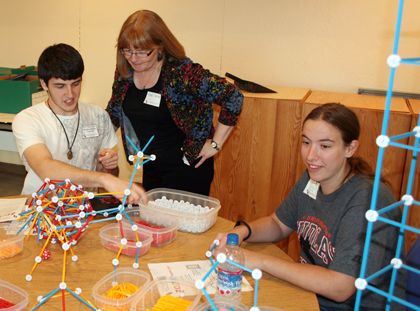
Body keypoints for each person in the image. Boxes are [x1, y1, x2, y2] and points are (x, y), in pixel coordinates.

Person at [211, 103, 406, 310]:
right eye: (306, 142)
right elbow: (278, 224)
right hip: (310, 296)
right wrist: (242, 231)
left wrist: (260, 261)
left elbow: (341, 287)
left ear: (350, 148)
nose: (311, 156)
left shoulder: (368, 200)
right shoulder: (312, 179)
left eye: (325, 146)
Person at [106, 10, 244, 196]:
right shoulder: (126, 72)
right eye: (127, 50)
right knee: (153, 220)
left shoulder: (182, 73)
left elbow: (233, 96)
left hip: (187, 167)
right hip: (151, 165)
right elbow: (114, 112)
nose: (133, 58)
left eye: (141, 52)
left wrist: (215, 145)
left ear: (160, 47)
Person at [13, 43, 147, 205]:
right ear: (43, 84)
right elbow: (45, 169)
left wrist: (108, 166)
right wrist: (104, 179)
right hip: (41, 209)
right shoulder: (28, 119)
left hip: (82, 209)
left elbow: (109, 175)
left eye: (75, 84)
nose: (70, 94)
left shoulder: (98, 116)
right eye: (60, 86)